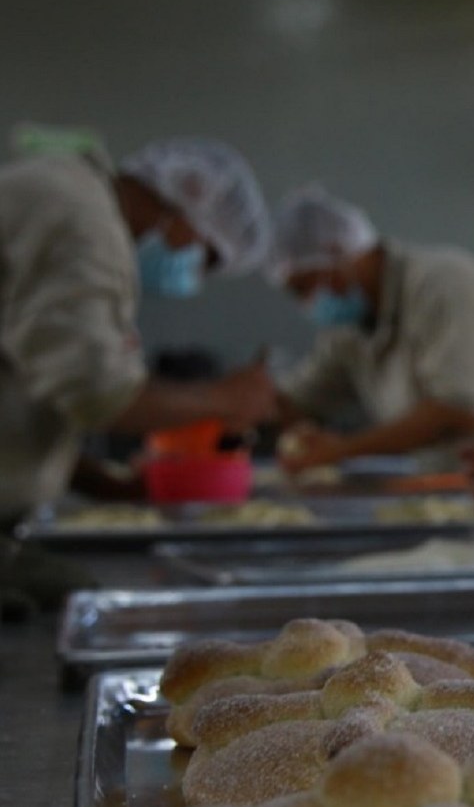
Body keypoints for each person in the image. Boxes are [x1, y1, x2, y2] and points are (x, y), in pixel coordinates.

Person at [0, 136, 277, 609]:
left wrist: (111, 488)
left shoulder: (69, 200)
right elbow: (99, 394)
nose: (191, 275)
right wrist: (226, 398)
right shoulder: (80, 220)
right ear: (185, 212)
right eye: (203, 257)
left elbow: (34, 392)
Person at [271, 187, 474, 475]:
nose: (310, 304)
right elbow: (298, 400)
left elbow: (455, 412)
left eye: (304, 288)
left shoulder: (443, 282)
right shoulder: (352, 330)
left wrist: (340, 450)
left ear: (336, 254)